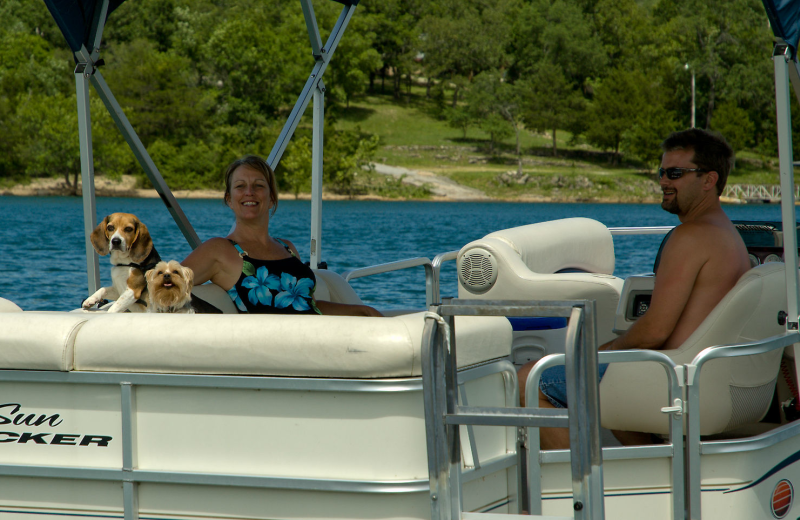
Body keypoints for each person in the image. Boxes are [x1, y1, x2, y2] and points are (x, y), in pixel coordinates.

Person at [518, 128, 751, 449]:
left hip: (669, 376)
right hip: (697, 374)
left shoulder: (690, 237)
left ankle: (577, 491)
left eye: (676, 173)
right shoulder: (729, 235)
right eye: (662, 172)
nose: (664, 181)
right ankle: (652, 472)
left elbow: (655, 330)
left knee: (529, 379)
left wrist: (603, 350)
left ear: (709, 180)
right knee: (600, 374)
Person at [183, 155, 382, 317]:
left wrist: (363, 311)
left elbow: (306, 306)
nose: (249, 192)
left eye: (259, 185)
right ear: (229, 199)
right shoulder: (219, 249)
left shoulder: (287, 247)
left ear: (271, 199)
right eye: (240, 186)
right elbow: (164, 283)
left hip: (319, 340)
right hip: (280, 353)